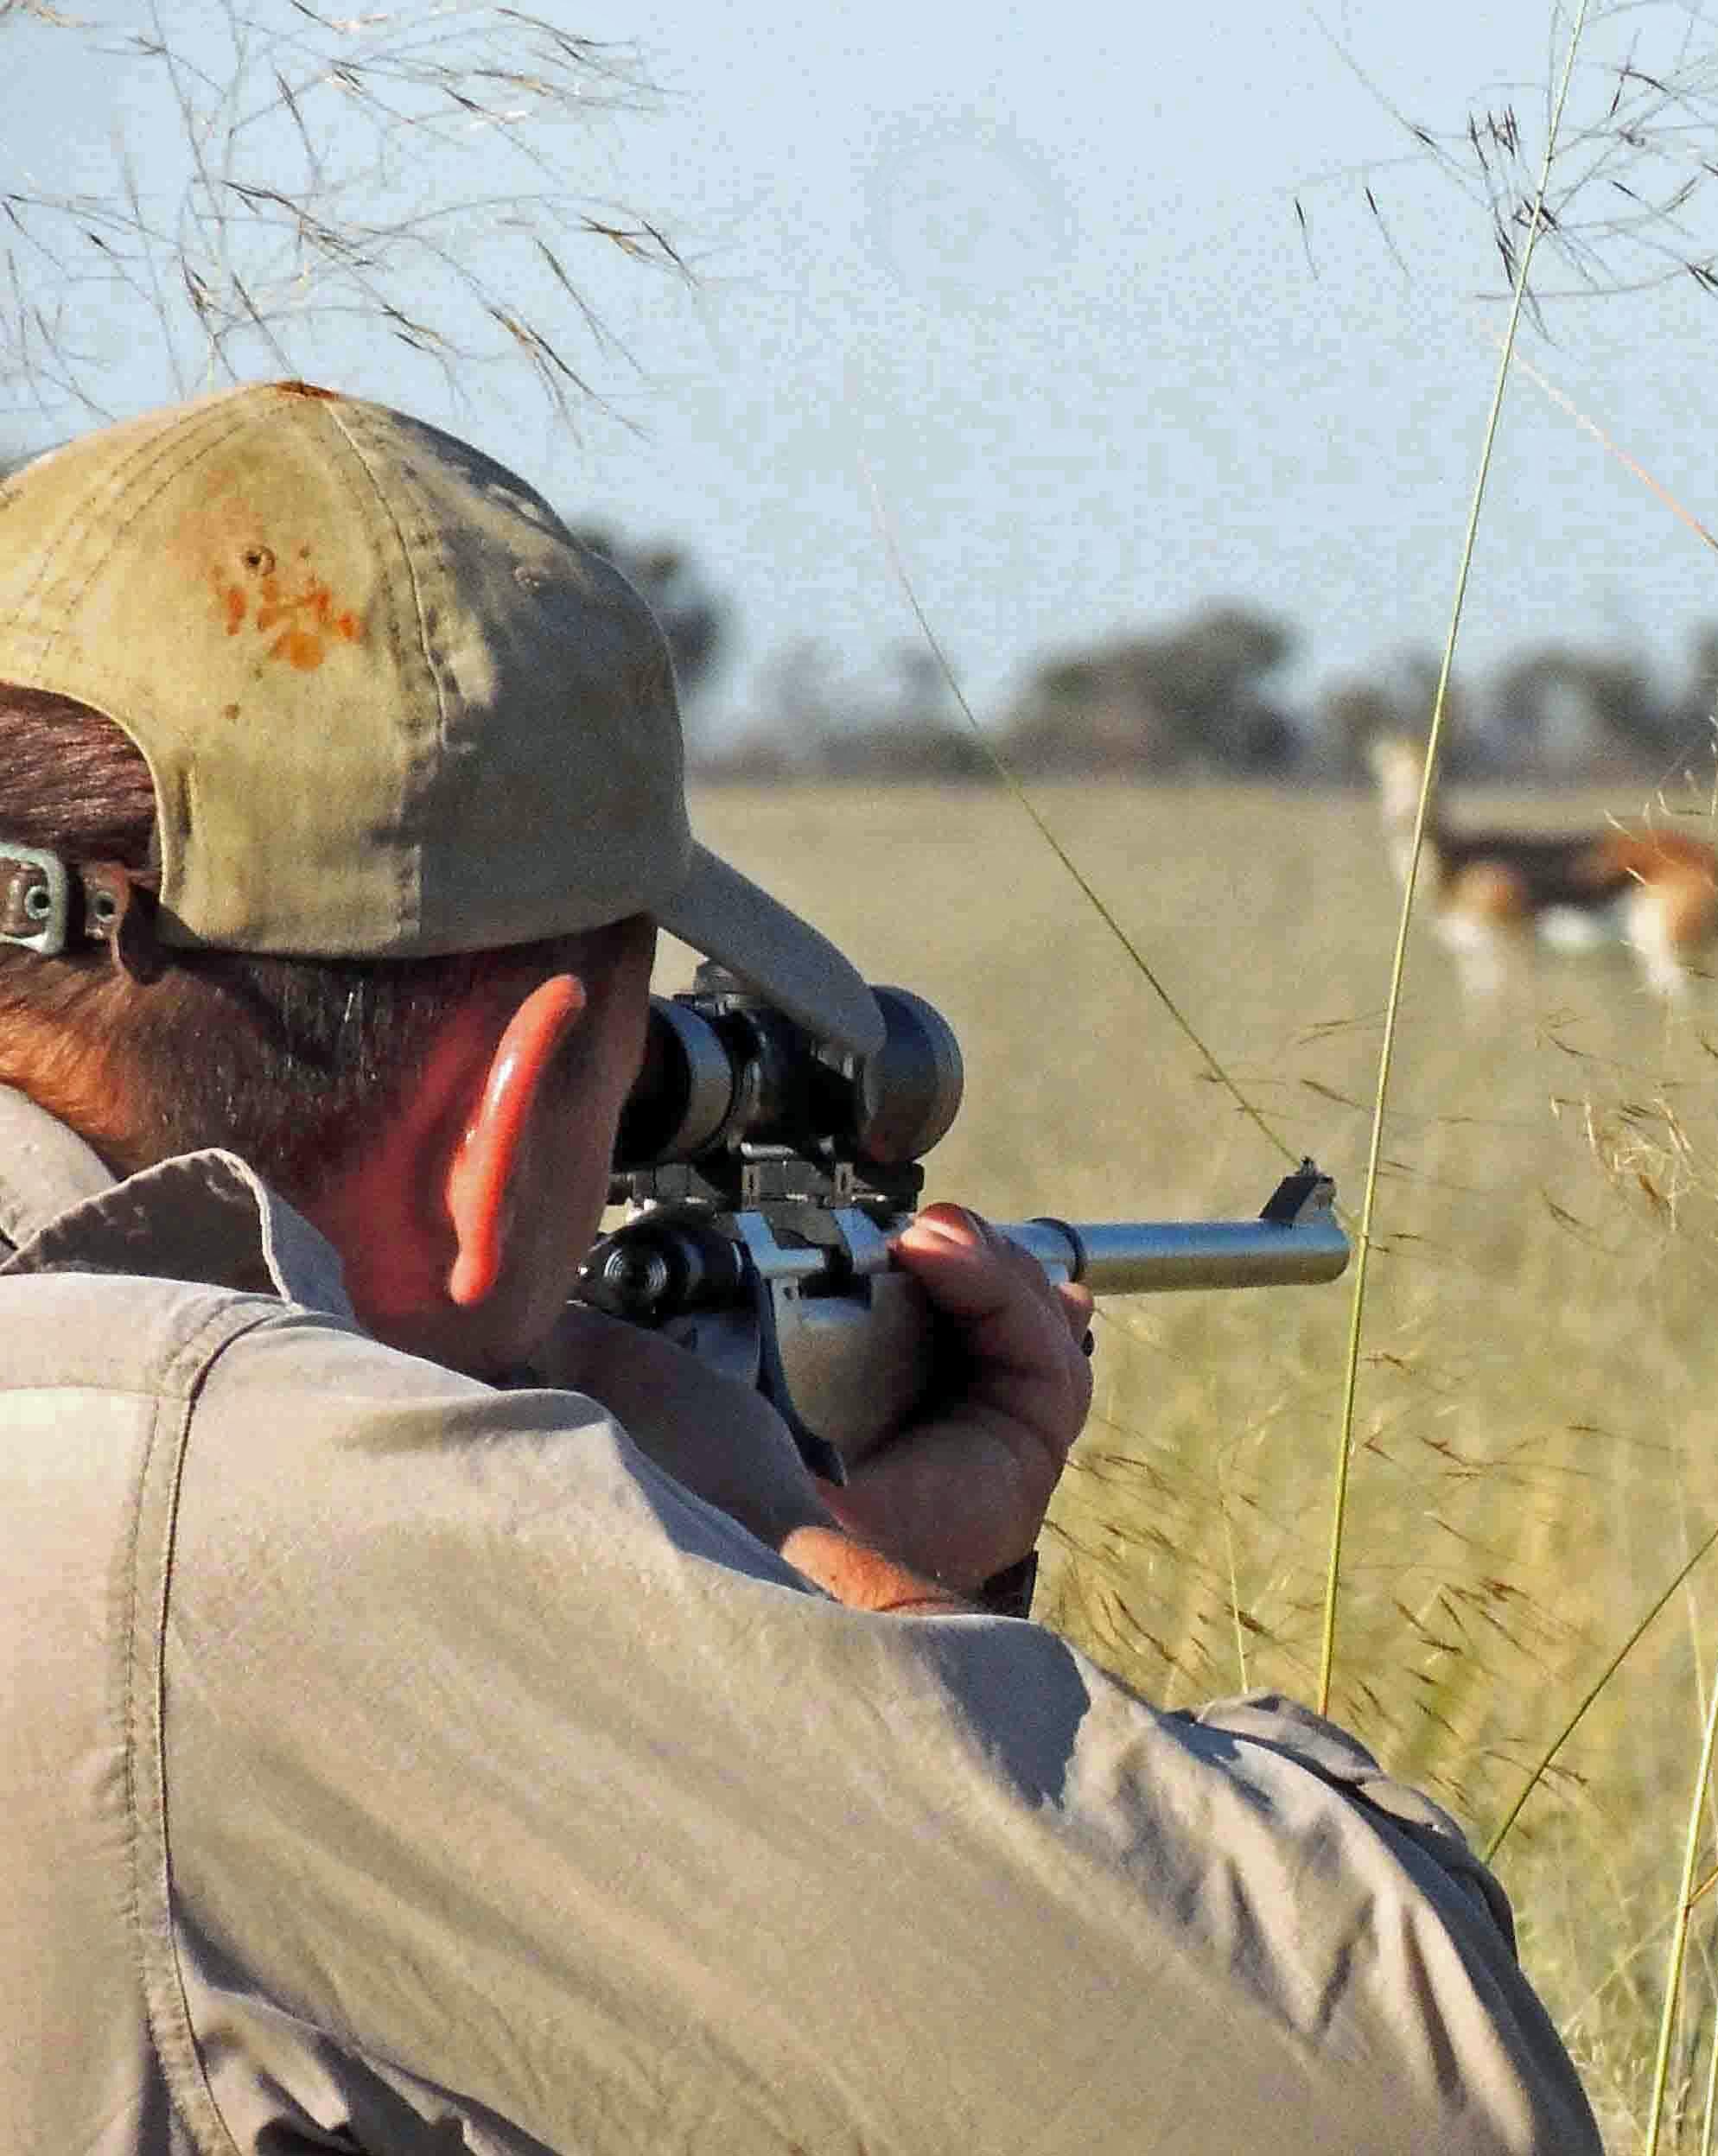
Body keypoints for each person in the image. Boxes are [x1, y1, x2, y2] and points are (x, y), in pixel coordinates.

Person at [0, 380, 1606, 2153]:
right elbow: (1380, 2095)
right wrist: (804, 1559)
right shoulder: (230, 1514)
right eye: (632, 1084)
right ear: (507, 1111)